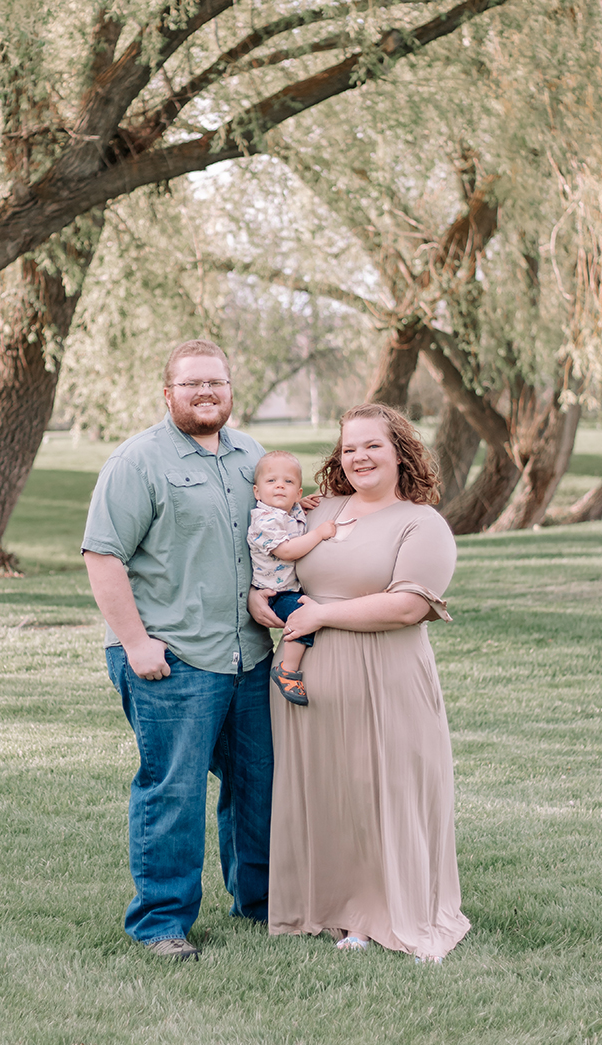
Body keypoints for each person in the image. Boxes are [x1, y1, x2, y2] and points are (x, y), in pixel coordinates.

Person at [253, 402, 470, 960]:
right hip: (311, 678)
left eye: (372, 445)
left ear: (400, 451)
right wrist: (259, 598)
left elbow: (405, 607)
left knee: (384, 791)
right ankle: (326, 906)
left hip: (388, 680)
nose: (359, 457)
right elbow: (275, 564)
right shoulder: (318, 509)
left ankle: (384, 913)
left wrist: (322, 614)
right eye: (349, 447)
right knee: (326, 792)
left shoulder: (422, 524)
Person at [82, 339, 275, 961]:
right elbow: (102, 554)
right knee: (175, 789)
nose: (206, 392)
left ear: (229, 388)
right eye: (192, 384)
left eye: (215, 382)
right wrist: (135, 644)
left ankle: (261, 902)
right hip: (171, 657)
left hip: (248, 653)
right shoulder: (138, 460)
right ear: (168, 393)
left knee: (258, 785)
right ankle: (161, 923)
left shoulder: (253, 456)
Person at [247, 451, 336, 706]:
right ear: (257, 492)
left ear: (298, 492)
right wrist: (319, 533)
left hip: (288, 587)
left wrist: (301, 505)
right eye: (271, 481)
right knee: (303, 618)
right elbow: (286, 551)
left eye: (288, 482)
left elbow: (293, 511)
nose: (279, 486)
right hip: (275, 593)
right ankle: (287, 669)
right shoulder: (264, 519)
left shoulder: (287, 511)